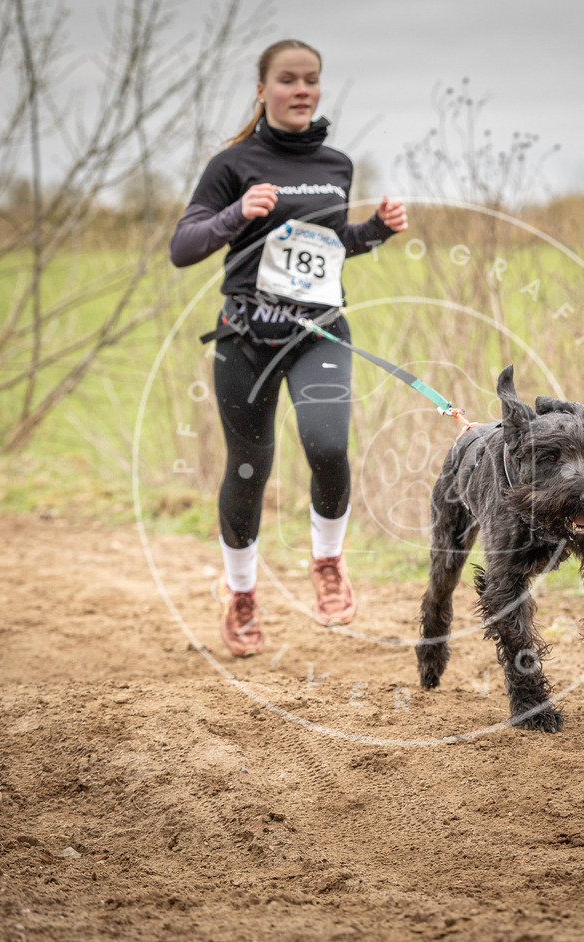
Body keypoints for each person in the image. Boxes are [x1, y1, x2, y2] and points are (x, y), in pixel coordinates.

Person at [169, 39, 408, 657]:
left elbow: (329, 245)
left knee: (328, 446)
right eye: (288, 80)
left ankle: (327, 562)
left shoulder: (336, 164)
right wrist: (236, 216)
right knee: (250, 470)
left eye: (311, 80)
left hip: (317, 333)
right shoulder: (233, 165)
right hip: (245, 337)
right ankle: (242, 594)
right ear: (262, 90)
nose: (302, 90)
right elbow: (183, 245)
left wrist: (376, 230)